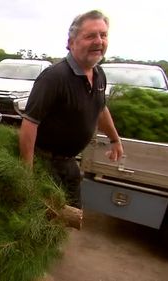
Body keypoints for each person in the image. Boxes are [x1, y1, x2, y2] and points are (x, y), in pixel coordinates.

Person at [19, 10, 124, 208]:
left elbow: (100, 108)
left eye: (103, 35)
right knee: (44, 224)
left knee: (70, 218)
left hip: (69, 164)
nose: (99, 41)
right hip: (46, 165)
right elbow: (29, 124)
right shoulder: (54, 78)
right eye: (90, 35)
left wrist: (115, 139)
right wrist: (27, 174)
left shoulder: (99, 74)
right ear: (71, 42)